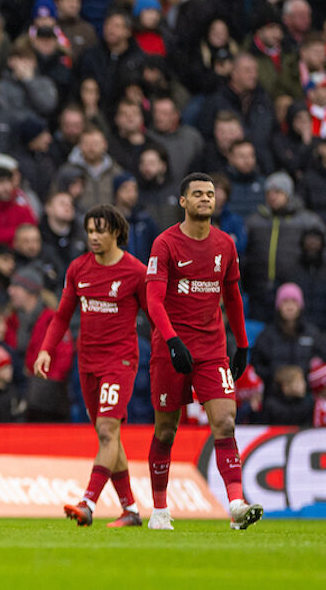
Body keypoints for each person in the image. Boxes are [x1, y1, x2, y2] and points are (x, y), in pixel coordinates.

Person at [145, 172, 262, 530]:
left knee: (225, 422)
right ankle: (160, 510)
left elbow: (233, 297)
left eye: (210, 194)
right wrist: (171, 339)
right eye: (197, 194)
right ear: (183, 201)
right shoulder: (165, 244)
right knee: (166, 430)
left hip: (212, 350)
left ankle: (237, 504)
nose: (205, 199)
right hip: (172, 349)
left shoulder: (225, 244)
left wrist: (241, 343)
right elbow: (153, 299)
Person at [34, 205, 147, 527]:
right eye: (90, 231)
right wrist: (46, 350)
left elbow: (155, 314)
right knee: (109, 437)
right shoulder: (78, 269)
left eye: (100, 231)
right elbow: (62, 316)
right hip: (87, 363)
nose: (94, 237)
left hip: (120, 361)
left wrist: (171, 348)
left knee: (108, 430)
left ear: (116, 233)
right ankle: (131, 511)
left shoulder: (135, 272)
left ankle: (88, 503)